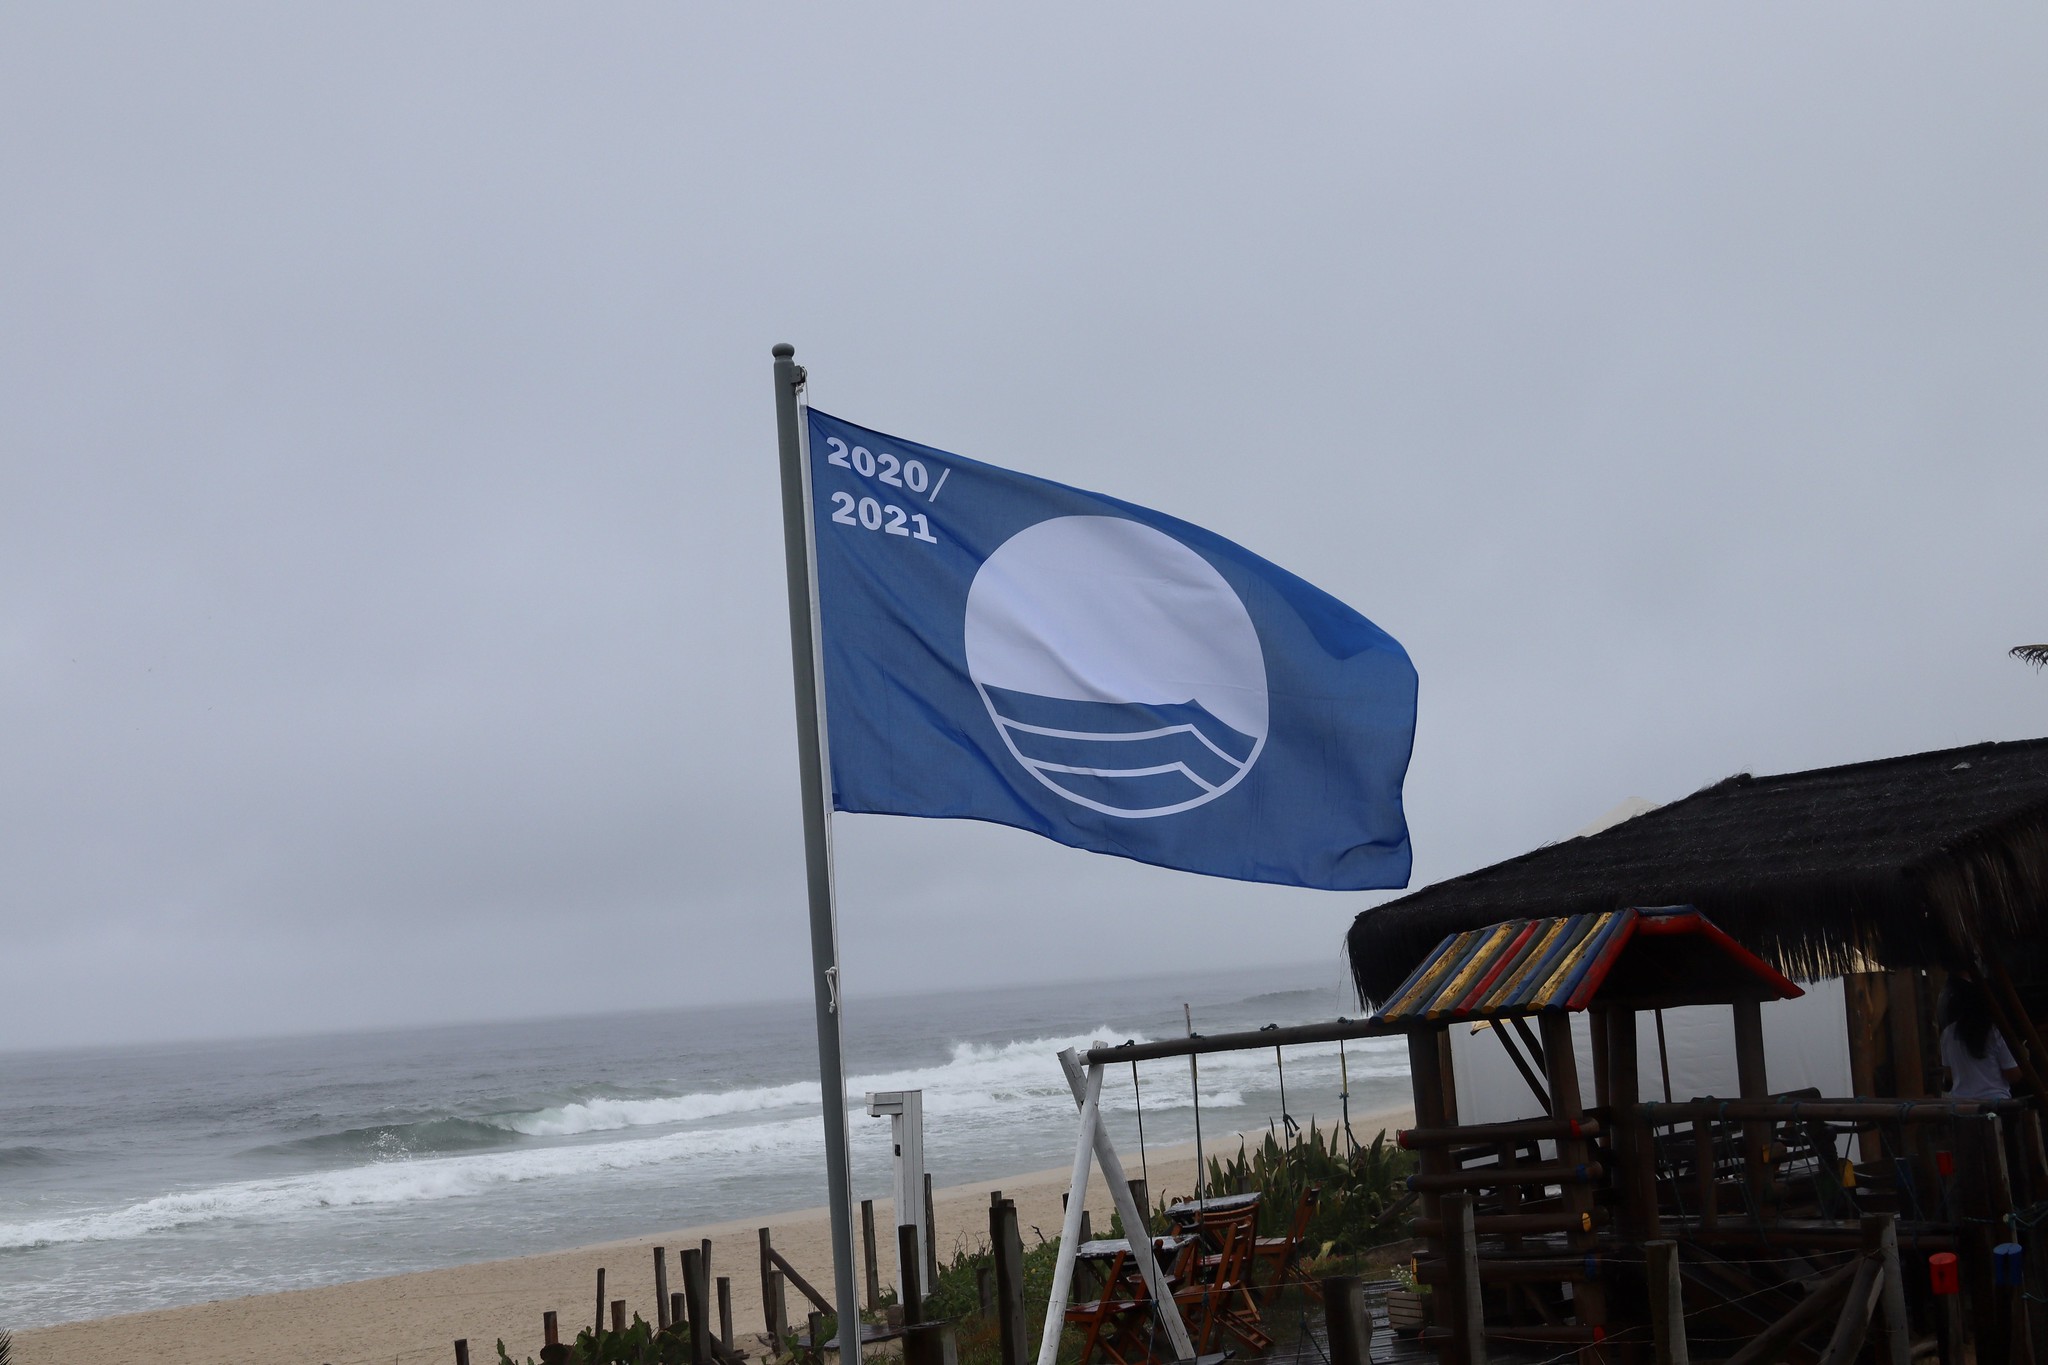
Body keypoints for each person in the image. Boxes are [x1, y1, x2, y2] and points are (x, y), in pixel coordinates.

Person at [1938, 977, 2022, 1100]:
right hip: (1996, 1103)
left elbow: (1949, 1074)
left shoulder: (1948, 1033)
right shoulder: (1995, 1033)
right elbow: (2013, 1075)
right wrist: (2024, 1058)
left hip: (1961, 1105)